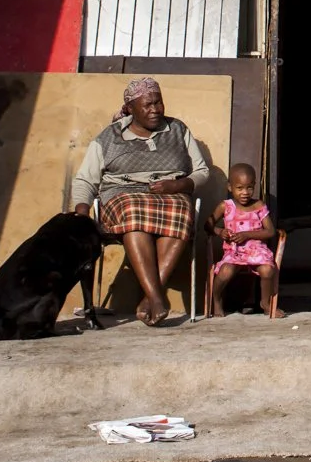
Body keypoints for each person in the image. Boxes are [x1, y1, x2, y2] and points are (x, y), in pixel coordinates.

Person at [71, 77, 211, 326]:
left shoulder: (178, 130)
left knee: (182, 209)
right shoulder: (109, 137)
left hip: (170, 194)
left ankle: (150, 298)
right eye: (147, 105)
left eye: (159, 103)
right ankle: (158, 296)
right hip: (122, 196)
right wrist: (81, 213)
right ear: (130, 109)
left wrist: (178, 185)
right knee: (133, 210)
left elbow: (201, 171)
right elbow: (85, 180)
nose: (155, 109)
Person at [205, 163, 281, 319]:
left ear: (254, 186)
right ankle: (217, 299)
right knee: (225, 272)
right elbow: (207, 225)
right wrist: (220, 232)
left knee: (267, 270)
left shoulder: (258, 205)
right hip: (234, 252)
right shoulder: (225, 206)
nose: (245, 193)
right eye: (240, 188)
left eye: (249, 188)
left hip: (256, 251)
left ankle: (265, 303)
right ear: (230, 187)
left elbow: (270, 231)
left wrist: (247, 235)